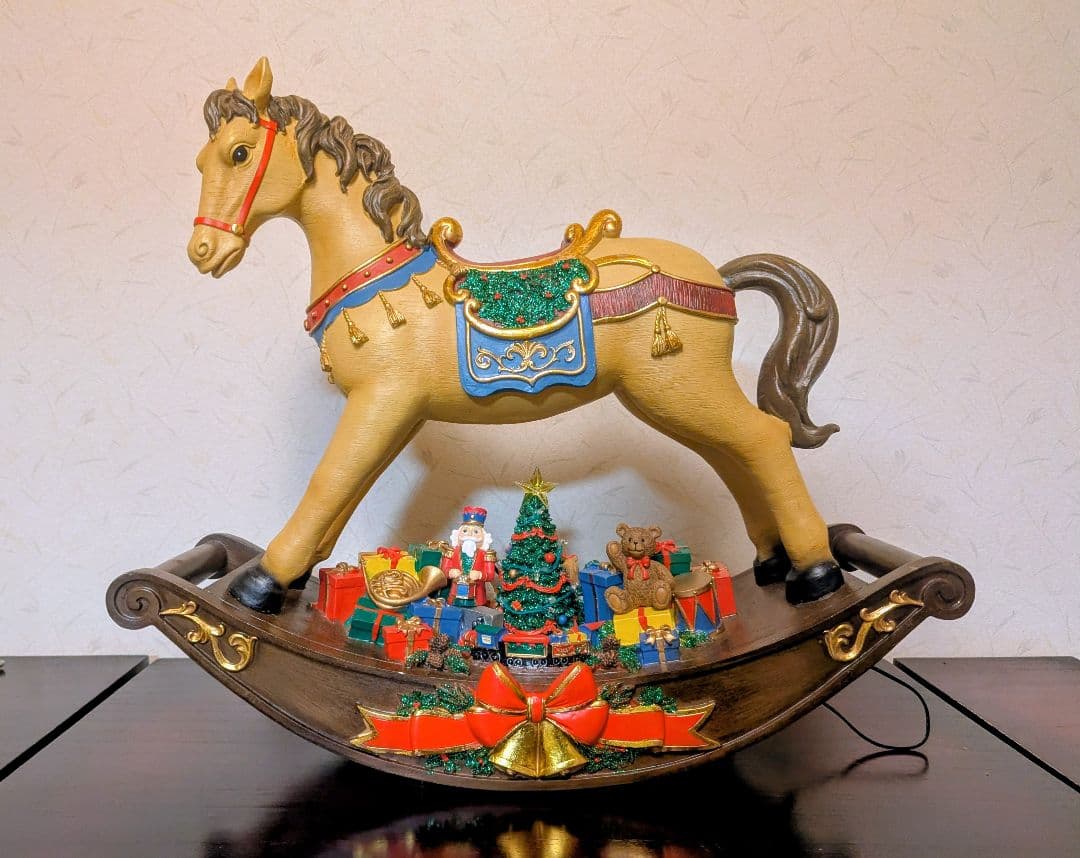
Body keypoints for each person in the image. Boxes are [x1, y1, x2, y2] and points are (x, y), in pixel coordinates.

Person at [441, 506, 498, 607]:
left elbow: (490, 575)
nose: (470, 534)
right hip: (454, 596)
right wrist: (450, 572)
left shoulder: (487, 555)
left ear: (483, 536)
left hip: (477, 598)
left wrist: (480, 575)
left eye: (476, 532)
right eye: (465, 531)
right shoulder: (451, 552)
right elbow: (443, 571)